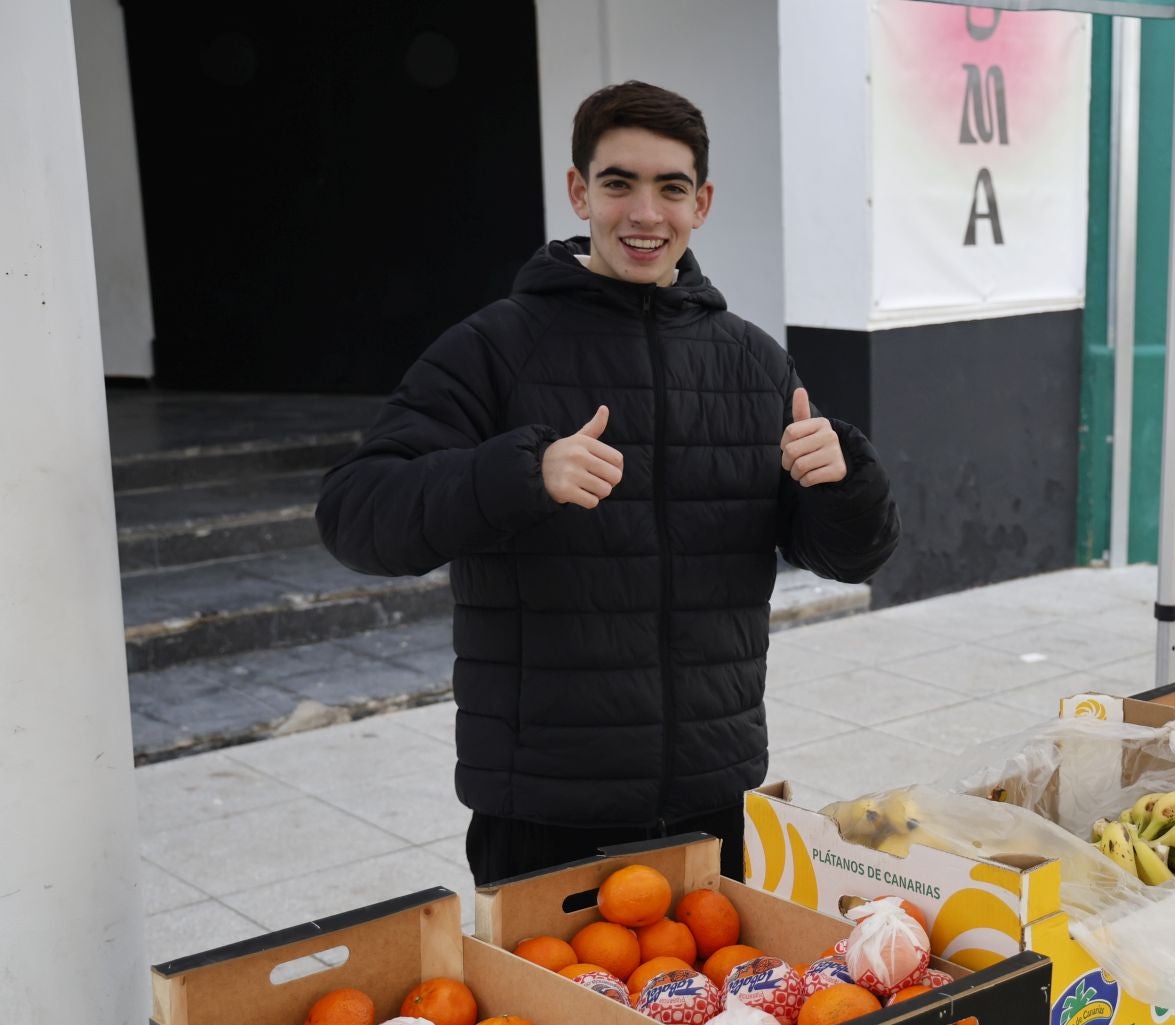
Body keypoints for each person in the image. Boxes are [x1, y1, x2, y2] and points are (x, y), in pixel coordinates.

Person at [316, 81, 899, 886]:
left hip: (714, 791)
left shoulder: (752, 360)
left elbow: (849, 555)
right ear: (579, 191)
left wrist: (842, 481)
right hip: (545, 804)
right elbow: (354, 515)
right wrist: (521, 472)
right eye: (620, 183)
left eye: (671, 188)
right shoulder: (496, 346)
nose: (645, 213)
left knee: (720, 1012)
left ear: (703, 202)